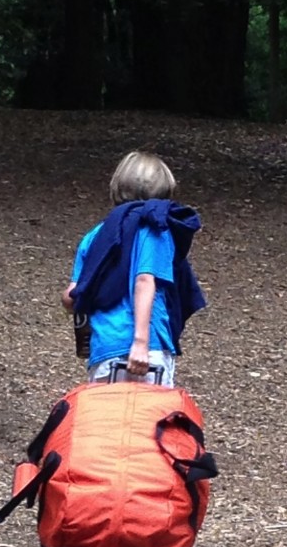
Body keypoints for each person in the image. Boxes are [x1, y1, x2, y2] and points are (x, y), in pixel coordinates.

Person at [61, 151, 205, 387]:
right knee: (149, 422)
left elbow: (71, 298)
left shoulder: (96, 236)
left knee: (107, 422)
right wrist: (140, 342)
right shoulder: (155, 229)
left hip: (105, 349)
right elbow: (145, 280)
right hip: (147, 349)